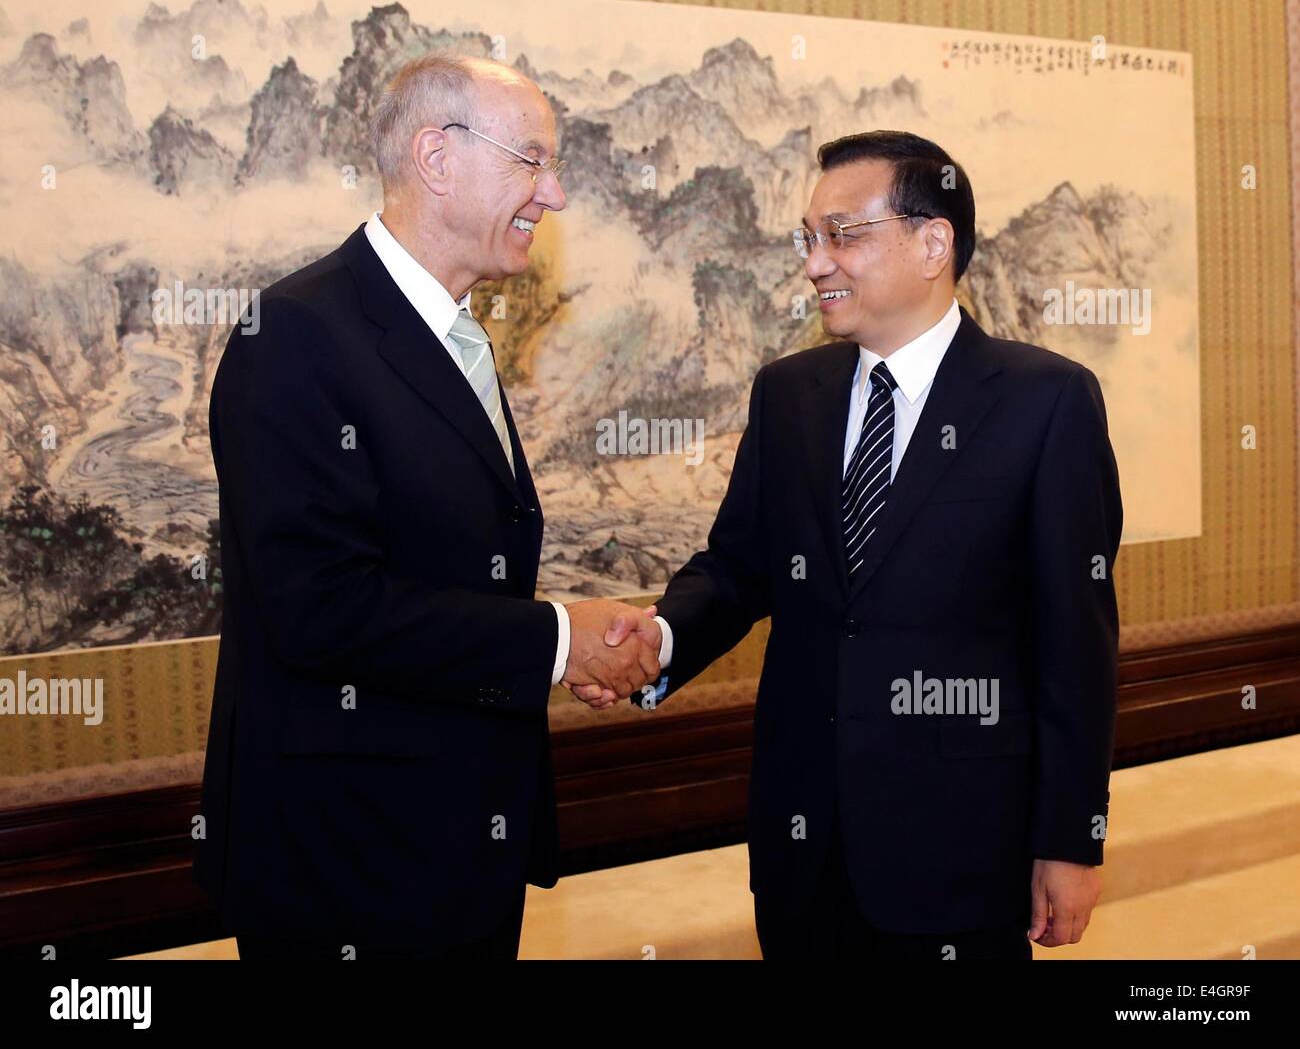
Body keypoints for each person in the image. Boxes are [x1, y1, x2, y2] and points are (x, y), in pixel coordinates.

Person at [591, 130, 1123, 960]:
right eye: (809, 238)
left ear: (932, 242)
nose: (815, 263)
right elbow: (738, 568)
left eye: (842, 235)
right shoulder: (789, 394)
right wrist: (656, 642)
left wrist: (1071, 840)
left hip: (961, 851)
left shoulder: (1045, 402)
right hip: (803, 850)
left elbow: (1076, 647)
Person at [195, 52, 664, 960]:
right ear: (437, 158)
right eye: (532, 160)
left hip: (454, 848)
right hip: (345, 868)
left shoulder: (457, 334)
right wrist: (563, 641)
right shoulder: (295, 334)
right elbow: (322, 612)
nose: (555, 193)